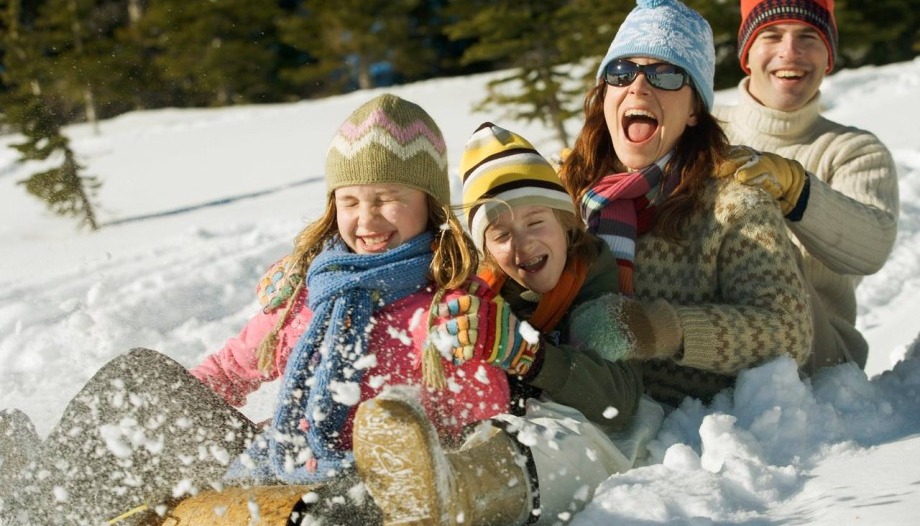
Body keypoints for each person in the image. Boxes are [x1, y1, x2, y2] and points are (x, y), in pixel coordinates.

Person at [0, 94, 511, 525]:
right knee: (137, 377)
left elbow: (482, 417)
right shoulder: (309, 290)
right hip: (274, 459)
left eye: (387, 198)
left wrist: (470, 348)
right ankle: (41, 496)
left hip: (358, 492)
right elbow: (229, 370)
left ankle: (40, 498)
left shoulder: (450, 304)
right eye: (350, 201)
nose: (366, 217)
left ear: (429, 202)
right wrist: (163, 420)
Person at [351, 123, 664, 525]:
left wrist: (526, 354)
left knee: (561, 440)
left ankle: (458, 493)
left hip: (588, 431)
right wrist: (309, 273)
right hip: (500, 424)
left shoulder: (595, 285)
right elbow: (393, 273)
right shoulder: (483, 289)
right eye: (501, 235)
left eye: (536, 222)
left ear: (567, 225)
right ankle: (343, 503)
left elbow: (615, 404)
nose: (523, 244)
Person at [557, 0, 814, 407]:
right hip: (570, 401)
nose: (638, 87)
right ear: (605, 93)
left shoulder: (733, 206)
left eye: (666, 75)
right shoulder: (563, 193)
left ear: (695, 108)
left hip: (684, 436)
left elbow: (789, 333)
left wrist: (660, 330)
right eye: (621, 72)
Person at [712, 0, 900, 372]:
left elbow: (873, 247)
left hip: (816, 355)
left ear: (828, 57)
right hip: (706, 333)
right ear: (746, 53)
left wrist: (797, 191)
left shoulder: (852, 151)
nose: (790, 52)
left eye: (808, 36)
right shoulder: (703, 131)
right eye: (772, 35)